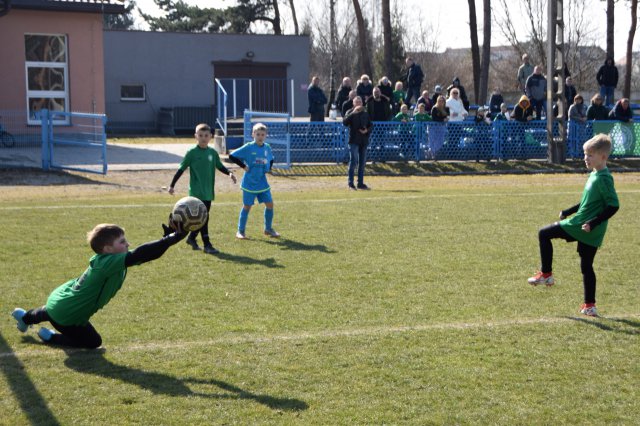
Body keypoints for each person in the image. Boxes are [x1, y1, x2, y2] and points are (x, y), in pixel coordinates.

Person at [11, 221, 187, 348]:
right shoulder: (108, 263)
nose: (128, 244)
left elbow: (146, 255)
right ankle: (51, 338)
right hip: (69, 314)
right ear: (107, 249)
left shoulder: (111, 260)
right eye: (122, 242)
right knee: (94, 342)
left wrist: (167, 240)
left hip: (60, 300)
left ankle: (24, 317)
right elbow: (140, 254)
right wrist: (169, 240)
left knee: (52, 310)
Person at [528, 134, 619, 317]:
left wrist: (593, 223)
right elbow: (587, 202)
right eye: (585, 154)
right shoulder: (595, 174)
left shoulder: (604, 178)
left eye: (590, 155)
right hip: (584, 226)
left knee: (544, 233)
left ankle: (546, 275)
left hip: (583, 226)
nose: (586, 158)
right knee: (586, 266)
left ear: (603, 157)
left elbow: (613, 205)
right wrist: (568, 210)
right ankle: (589, 306)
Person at [168, 123, 237, 255]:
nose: (203, 138)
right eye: (200, 135)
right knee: (204, 218)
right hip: (195, 193)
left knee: (201, 218)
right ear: (196, 136)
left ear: (210, 136)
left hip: (208, 192)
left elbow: (220, 166)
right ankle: (207, 244)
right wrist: (172, 185)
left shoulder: (212, 153)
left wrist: (229, 173)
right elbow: (181, 169)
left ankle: (191, 238)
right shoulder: (192, 153)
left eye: (206, 135)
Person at [228, 123, 279, 239]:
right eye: (258, 134)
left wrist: (269, 169)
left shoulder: (267, 147)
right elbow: (232, 156)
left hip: (262, 182)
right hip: (249, 183)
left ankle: (268, 229)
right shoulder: (248, 147)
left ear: (266, 135)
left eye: (262, 134)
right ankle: (240, 231)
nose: (260, 137)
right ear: (253, 134)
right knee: (247, 206)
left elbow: (271, 159)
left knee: (270, 204)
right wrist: (243, 166)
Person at [343, 96, 372, 190]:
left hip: (363, 141)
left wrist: (366, 130)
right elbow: (344, 122)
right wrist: (353, 113)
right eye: (357, 101)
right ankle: (350, 184)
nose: (359, 103)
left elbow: (371, 125)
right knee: (353, 162)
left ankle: (360, 183)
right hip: (354, 141)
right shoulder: (349, 112)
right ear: (353, 103)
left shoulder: (365, 113)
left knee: (362, 163)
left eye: (360, 101)